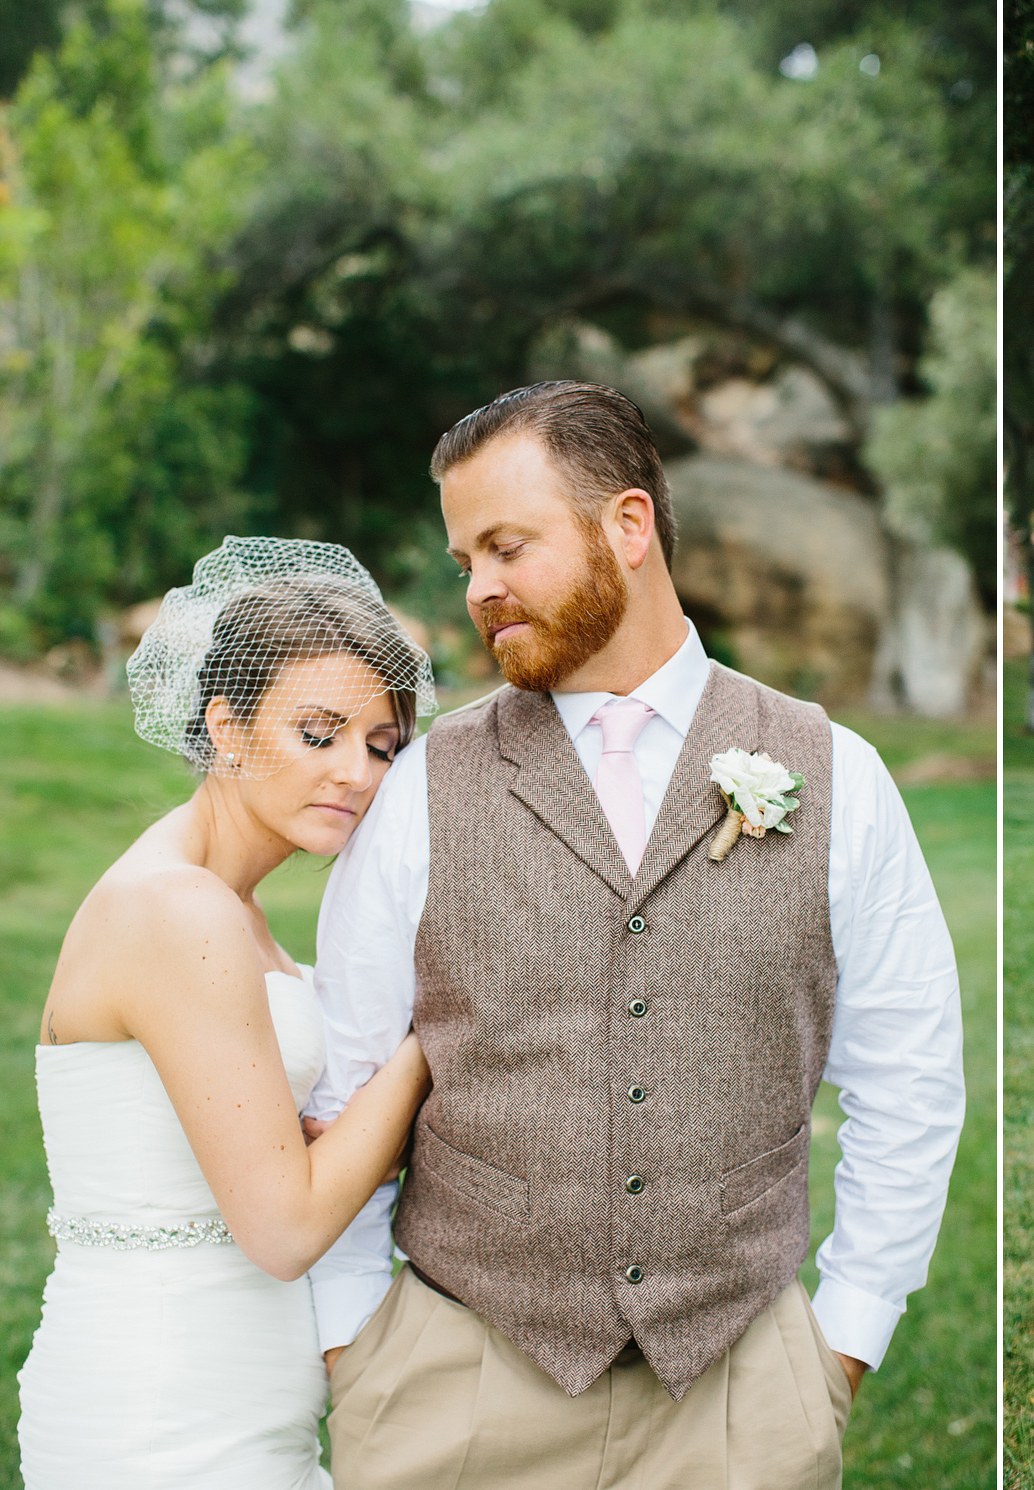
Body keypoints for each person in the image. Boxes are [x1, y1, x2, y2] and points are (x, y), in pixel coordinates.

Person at [307, 380, 965, 1489]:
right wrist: (356, 1347)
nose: (481, 588)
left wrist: (839, 1343)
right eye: (465, 558)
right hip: (454, 1392)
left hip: (738, 1398)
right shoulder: (424, 788)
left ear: (628, 525)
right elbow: (346, 1077)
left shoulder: (836, 771)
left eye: (506, 545)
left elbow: (908, 1078)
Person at [18, 538, 437, 1489]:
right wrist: (429, 1045)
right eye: (318, 733)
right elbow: (285, 1228)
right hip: (161, 1413)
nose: (359, 775)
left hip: (239, 1402)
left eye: (382, 746)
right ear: (228, 728)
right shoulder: (180, 910)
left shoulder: (231, 910)